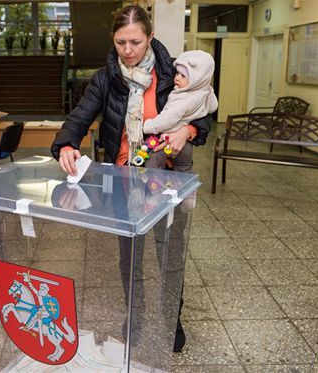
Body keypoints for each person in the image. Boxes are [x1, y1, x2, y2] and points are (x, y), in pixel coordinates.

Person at [51, 5, 212, 352]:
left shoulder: (173, 74)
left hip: (166, 181)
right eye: (121, 42)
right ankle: (134, 314)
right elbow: (80, 116)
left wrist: (188, 129)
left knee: (169, 254)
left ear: (150, 38)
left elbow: (204, 113)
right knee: (130, 255)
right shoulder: (105, 77)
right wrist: (66, 143)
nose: (128, 50)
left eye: (136, 42)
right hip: (126, 179)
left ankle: (172, 316)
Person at [143, 50, 218, 172]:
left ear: (196, 80)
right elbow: (213, 107)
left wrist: (147, 126)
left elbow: (167, 119)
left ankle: (154, 188)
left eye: (183, 76)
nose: (177, 78)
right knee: (184, 169)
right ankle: (187, 190)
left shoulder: (183, 99)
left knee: (153, 165)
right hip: (186, 145)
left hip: (166, 140)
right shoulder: (205, 91)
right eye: (177, 73)